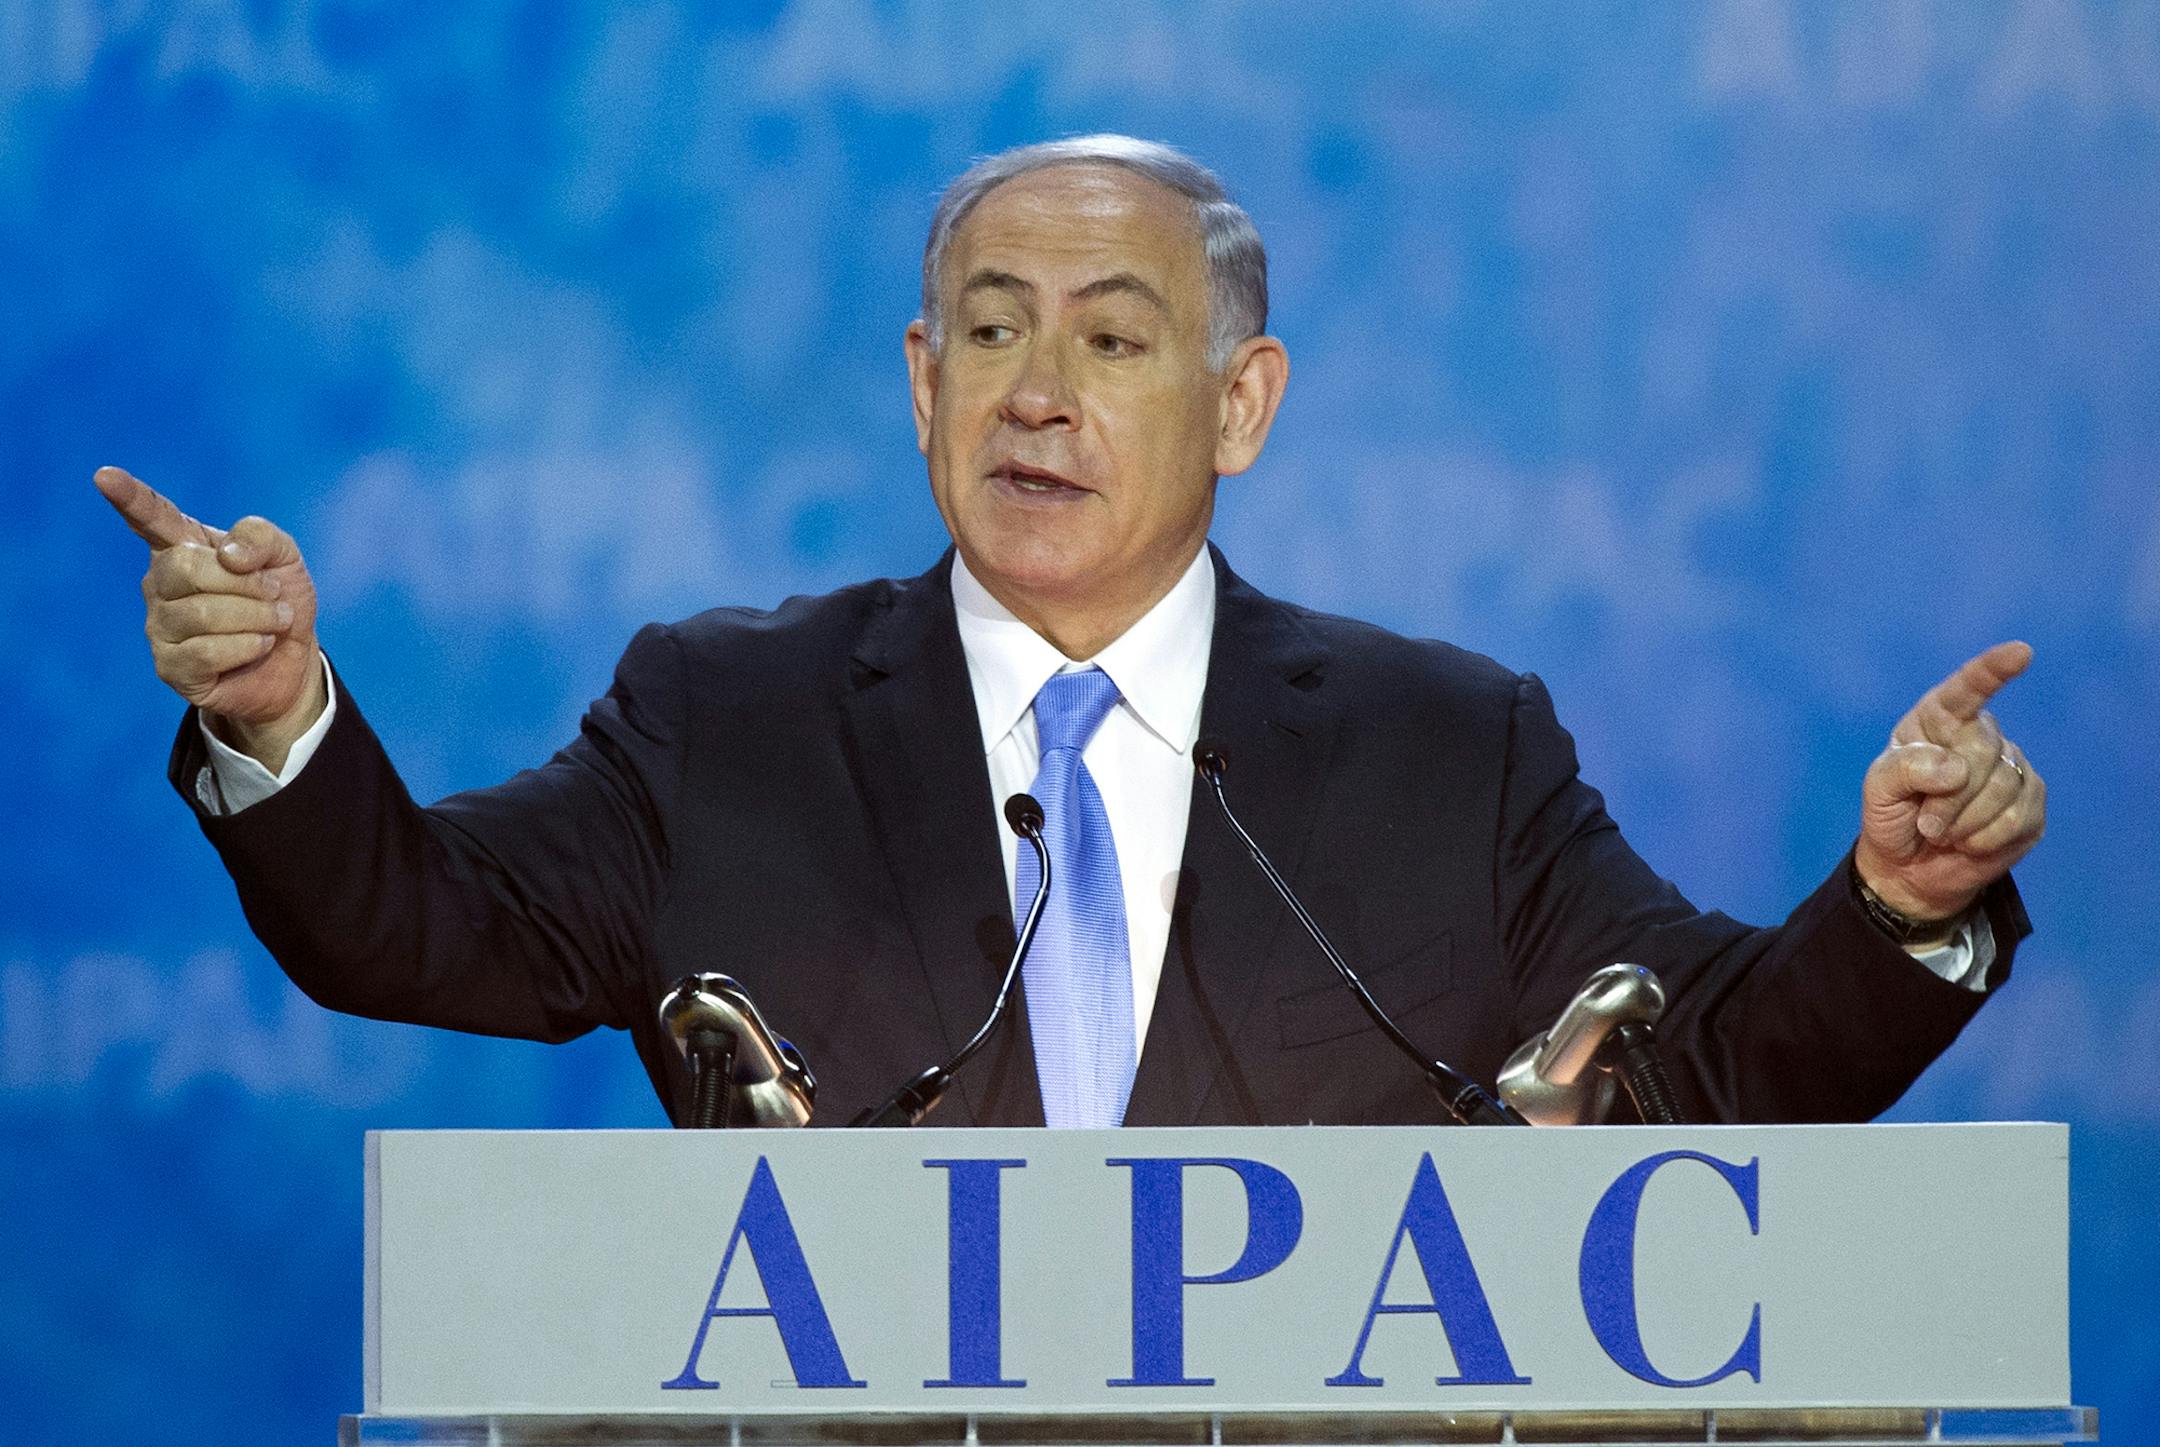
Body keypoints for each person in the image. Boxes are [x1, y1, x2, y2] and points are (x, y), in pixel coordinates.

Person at [95, 136, 2046, 1129]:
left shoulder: (1453, 747)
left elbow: (1704, 1068)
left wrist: (1898, 903)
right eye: (992, 334)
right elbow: (408, 927)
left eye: (1113, 339)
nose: (1041, 391)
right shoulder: (722, 718)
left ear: (1243, 404)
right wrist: (281, 711)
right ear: (919, 387)